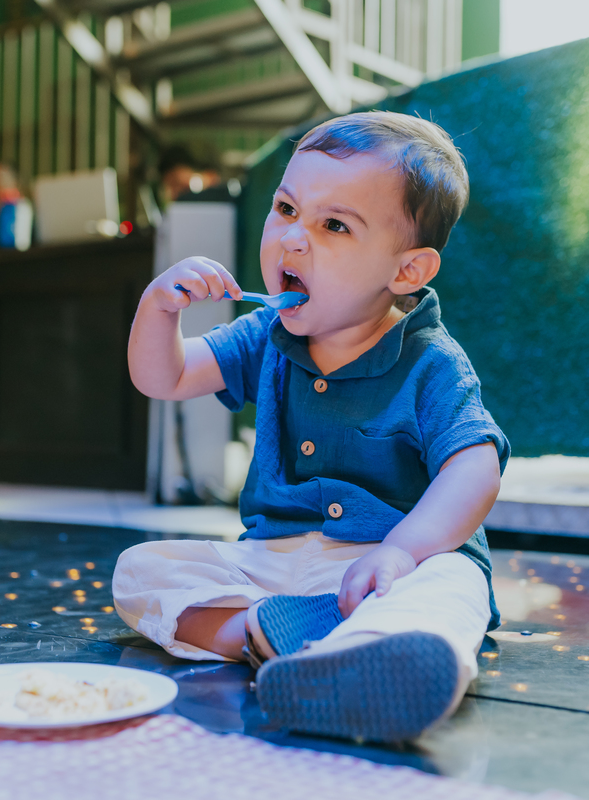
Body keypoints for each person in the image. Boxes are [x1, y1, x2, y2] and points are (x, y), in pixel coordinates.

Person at [114, 111, 509, 742]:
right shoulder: (264, 334)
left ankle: (375, 654)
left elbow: (476, 465)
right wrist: (158, 308)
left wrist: (402, 551)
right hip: (276, 562)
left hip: (391, 567)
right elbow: (166, 378)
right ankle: (277, 636)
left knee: (452, 586)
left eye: (333, 225)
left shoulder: (430, 360)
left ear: (406, 271)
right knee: (140, 570)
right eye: (286, 207)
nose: (292, 238)